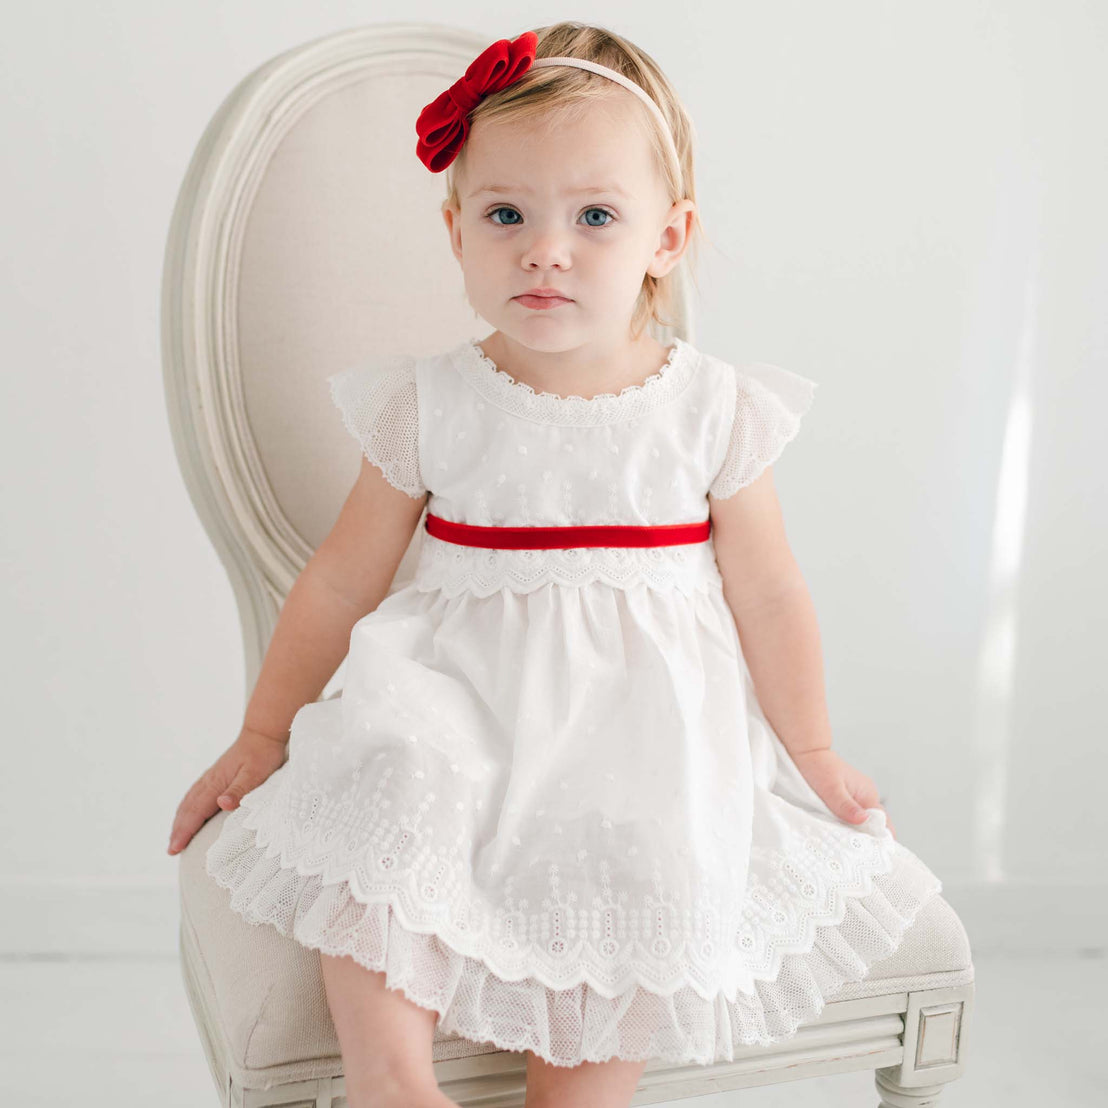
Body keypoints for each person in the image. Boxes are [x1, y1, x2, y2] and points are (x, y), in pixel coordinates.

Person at [167, 21, 943, 1108]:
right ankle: (391, 1077)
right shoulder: (430, 400)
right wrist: (262, 733)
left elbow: (769, 590)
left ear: (665, 237)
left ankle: (578, 1094)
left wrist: (808, 745)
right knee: (388, 777)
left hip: (637, 724)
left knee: (637, 850)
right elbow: (343, 579)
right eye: (505, 215)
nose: (545, 248)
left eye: (593, 217)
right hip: (456, 694)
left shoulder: (710, 408)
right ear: (455, 232)